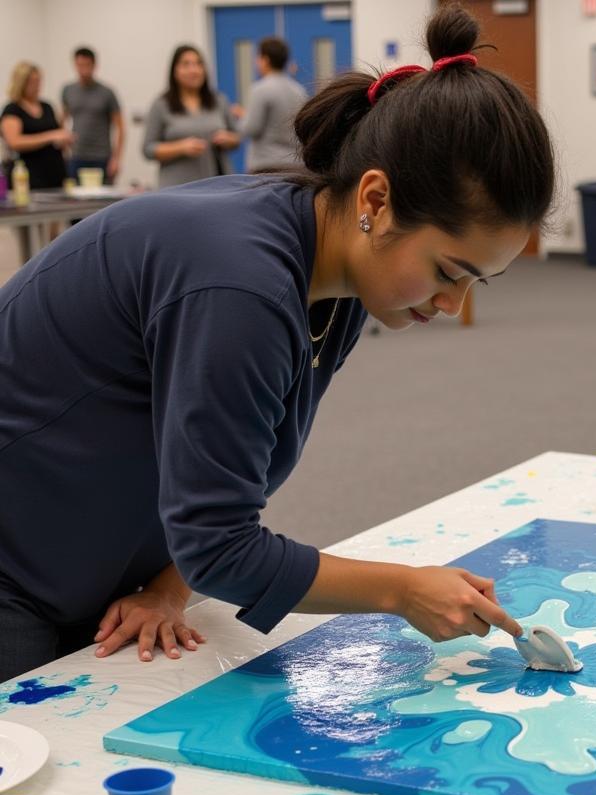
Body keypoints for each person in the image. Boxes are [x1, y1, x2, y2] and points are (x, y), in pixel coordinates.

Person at [0, 4, 554, 682]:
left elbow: (240, 474)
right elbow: (223, 543)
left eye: (477, 284)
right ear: (375, 200)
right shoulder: (242, 286)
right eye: (447, 272)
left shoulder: (340, 275)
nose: (450, 305)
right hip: (16, 563)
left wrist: (170, 584)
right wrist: (402, 589)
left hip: (93, 554)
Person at [142, 45, 240, 188]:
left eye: (198, 64)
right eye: (186, 64)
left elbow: (237, 138)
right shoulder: (161, 105)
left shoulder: (219, 101)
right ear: (174, 71)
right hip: (178, 188)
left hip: (218, 185)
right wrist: (180, 147)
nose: (194, 70)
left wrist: (228, 139)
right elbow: (148, 149)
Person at [233, 37, 306, 172]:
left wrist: (242, 117)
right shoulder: (299, 90)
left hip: (267, 165)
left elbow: (251, 128)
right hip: (295, 164)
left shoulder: (260, 89)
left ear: (265, 60)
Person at [1, 62, 72, 189]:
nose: (37, 85)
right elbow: (14, 142)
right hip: (27, 176)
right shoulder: (12, 109)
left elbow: (57, 133)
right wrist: (50, 136)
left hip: (54, 174)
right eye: (32, 82)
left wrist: (63, 140)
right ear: (22, 83)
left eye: (39, 81)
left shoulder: (47, 106)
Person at [60, 47, 124, 184]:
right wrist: (64, 149)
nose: (83, 69)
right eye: (80, 65)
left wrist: (116, 159)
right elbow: (62, 120)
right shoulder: (68, 90)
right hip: (76, 156)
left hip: (102, 157)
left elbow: (120, 127)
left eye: (87, 65)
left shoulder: (107, 93)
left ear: (94, 65)